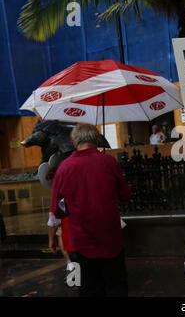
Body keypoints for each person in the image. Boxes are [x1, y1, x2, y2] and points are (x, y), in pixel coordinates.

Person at [51, 123, 131, 297]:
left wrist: (71, 208)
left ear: (73, 141)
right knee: (116, 285)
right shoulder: (108, 161)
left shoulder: (64, 168)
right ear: (96, 139)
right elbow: (125, 194)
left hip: (81, 240)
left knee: (88, 288)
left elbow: (57, 208)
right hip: (110, 237)